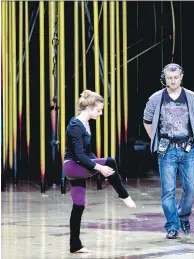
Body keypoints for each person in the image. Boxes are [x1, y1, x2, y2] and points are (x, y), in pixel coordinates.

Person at [63, 90, 136, 253]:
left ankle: (75, 245)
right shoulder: (75, 126)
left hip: (79, 166)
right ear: (89, 107)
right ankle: (123, 195)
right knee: (109, 161)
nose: (100, 113)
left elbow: (88, 154)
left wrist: (97, 165)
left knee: (78, 206)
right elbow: (80, 156)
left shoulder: (86, 124)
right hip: (73, 166)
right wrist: (100, 167)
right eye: (98, 110)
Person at [143, 63, 194, 239]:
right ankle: (172, 226)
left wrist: (190, 140)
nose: (173, 81)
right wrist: (155, 139)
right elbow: (147, 119)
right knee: (168, 190)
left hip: (188, 149)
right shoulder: (156, 98)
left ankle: (183, 215)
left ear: (181, 76)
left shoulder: (191, 97)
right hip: (166, 150)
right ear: (165, 78)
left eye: (176, 77)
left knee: (191, 187)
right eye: (169, 78)